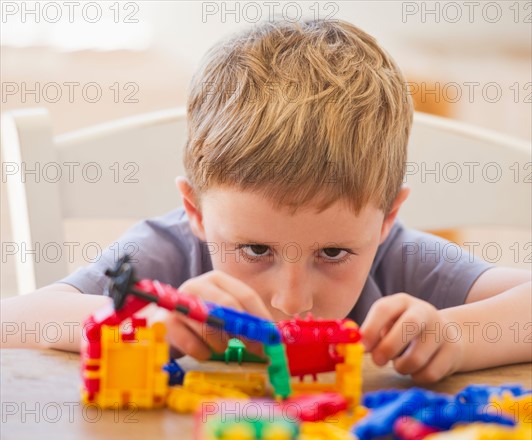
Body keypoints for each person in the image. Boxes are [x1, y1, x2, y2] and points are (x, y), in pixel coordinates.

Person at [3, 19, 530, 383]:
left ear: (387, 218)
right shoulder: (164, 255)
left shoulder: (404, 261)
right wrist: (137, 325)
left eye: (333, 254)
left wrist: (457, 337)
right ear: (196, 212)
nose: (291, 300)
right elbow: (15, 319)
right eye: (255, 250)